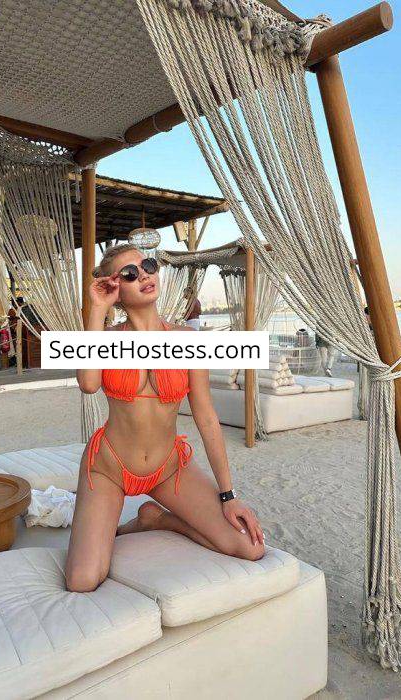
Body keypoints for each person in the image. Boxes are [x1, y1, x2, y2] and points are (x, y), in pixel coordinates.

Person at [65, 243, 264, 593]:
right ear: (115, 289)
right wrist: (97, 310)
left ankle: (159, 519)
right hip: (109, 468)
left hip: (168, 467)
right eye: (130, 274)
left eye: (148, 265)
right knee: (82, 579)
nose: (144, 275)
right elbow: (88, 384)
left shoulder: (188, 339)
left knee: (250, 547)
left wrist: (228, 495)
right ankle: (149, 520)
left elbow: (206, 418)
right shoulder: (106, 339)